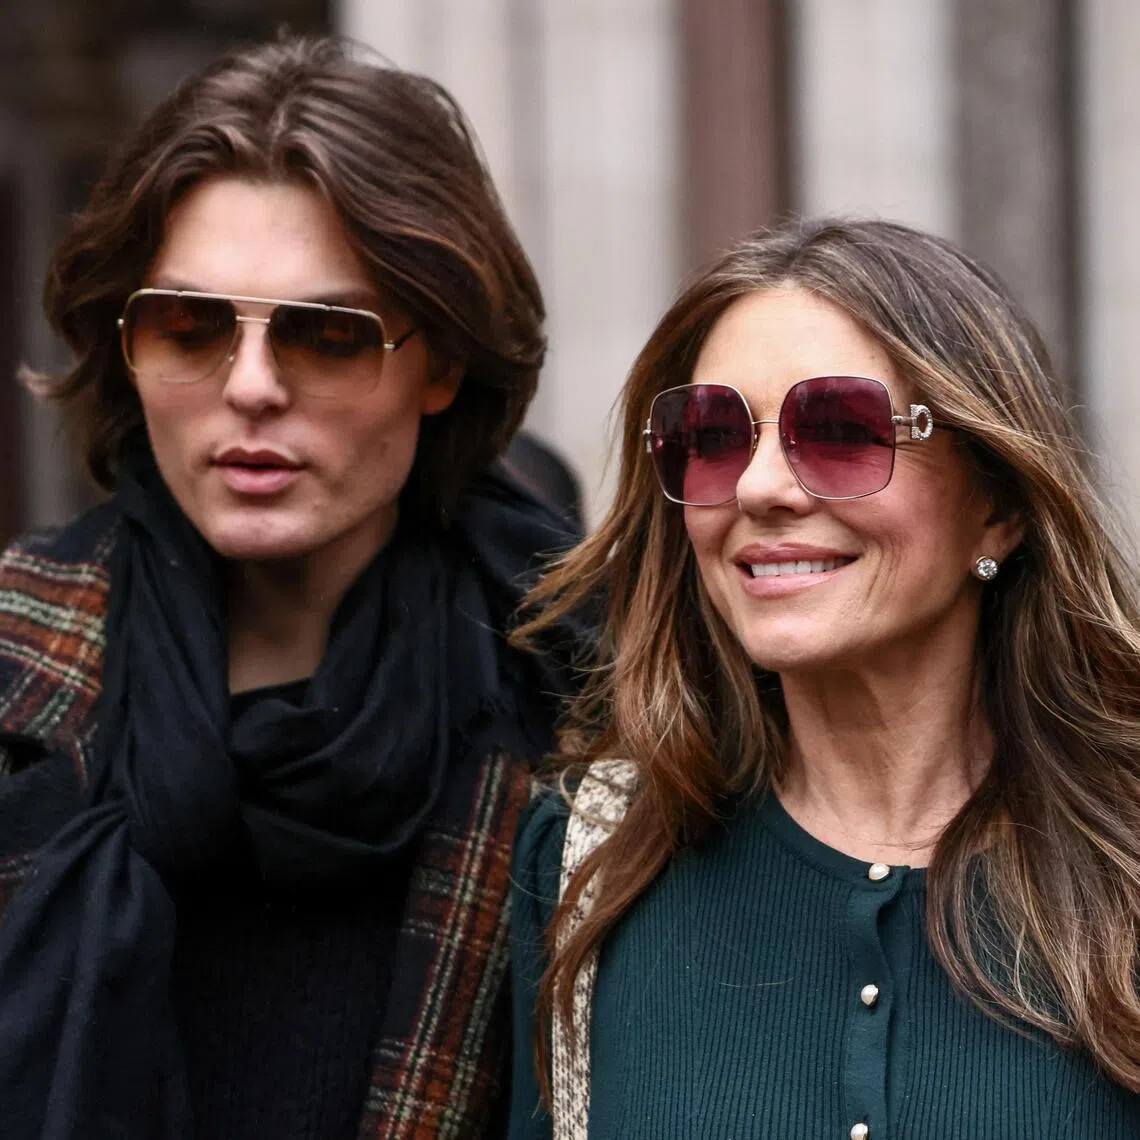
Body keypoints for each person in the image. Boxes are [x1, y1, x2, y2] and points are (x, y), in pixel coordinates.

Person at [0, 35, 579, 1140]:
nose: (253, 388)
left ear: (442, 364)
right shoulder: (20, 667)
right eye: (189, 325)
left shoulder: (581, 702)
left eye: (327, 335)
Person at [508, 217, 1140, 1139]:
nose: (761, 488)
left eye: (840, 430)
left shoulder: (1122, 857)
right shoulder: (586, 860)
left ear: (998, 506)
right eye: (714, 436)